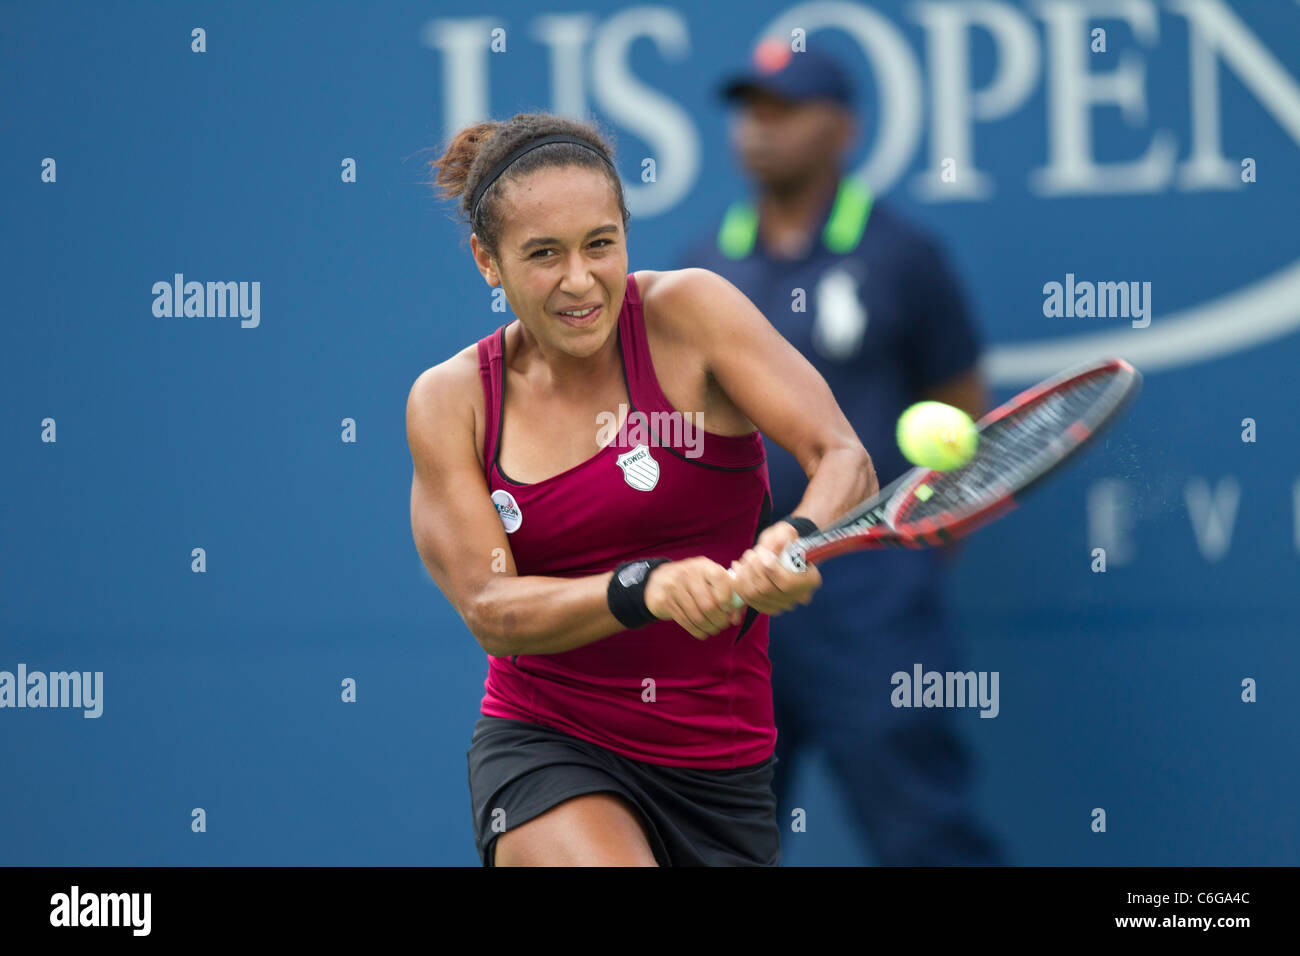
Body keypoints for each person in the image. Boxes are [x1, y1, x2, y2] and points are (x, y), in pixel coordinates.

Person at [407, 111, 879, 866]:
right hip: (547, 744)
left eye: (601, 243)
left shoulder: (693, 314)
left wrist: (797, 536)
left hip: (723, 768)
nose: (579, 280)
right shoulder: (450, 401)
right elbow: (491, 610)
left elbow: (842, 456)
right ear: (486, 261)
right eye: (542, 254)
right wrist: (642, 590)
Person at [674, 43, 1007, 865]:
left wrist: (916, 555)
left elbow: (960, 399)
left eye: (785, 110)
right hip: (737, 601)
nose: (760, 128)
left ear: (844, 130)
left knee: (923, 833)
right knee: (716, 841)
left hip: (873, 600)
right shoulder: (703, 269)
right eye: (752, 110)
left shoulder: (904, 256)